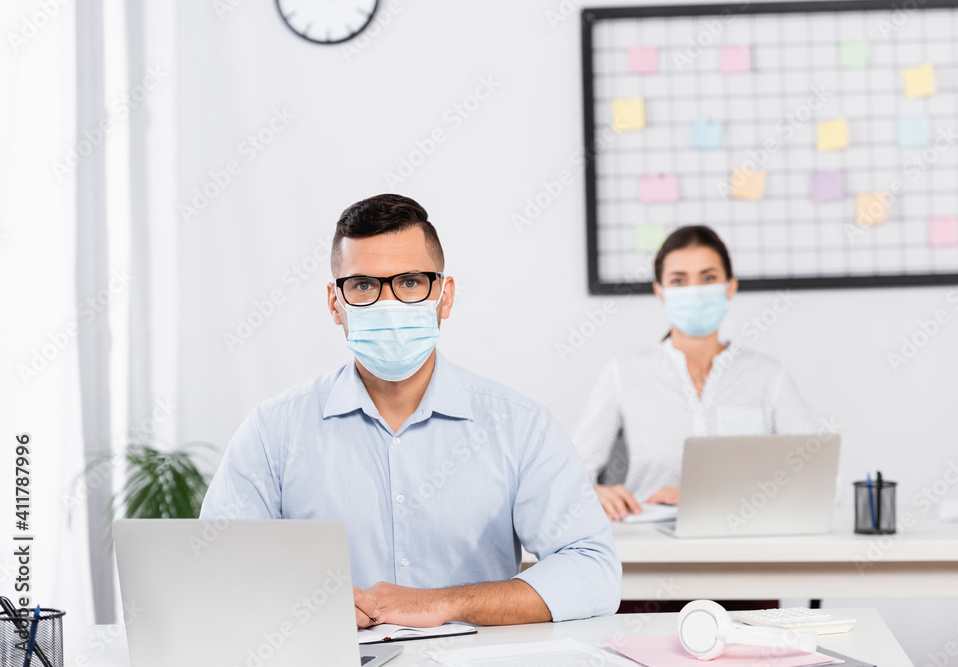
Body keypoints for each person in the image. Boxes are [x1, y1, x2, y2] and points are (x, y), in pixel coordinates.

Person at [200, 194, 621, 628]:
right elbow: (215, 571)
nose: (388, 303)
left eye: (410, 282)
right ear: (334, 303)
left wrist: (441, 603)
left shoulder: (520, 425)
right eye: (363, 285)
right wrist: (303, 600)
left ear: (444, 295)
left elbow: (593, 571)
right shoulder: (273, 431)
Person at [574, 225, 818, 522]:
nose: (694, 291)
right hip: (648, 543)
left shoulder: (768, 376)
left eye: (709, 278)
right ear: (660, 292)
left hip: (746, 539)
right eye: (678, 280)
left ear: (730, 286)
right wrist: (594, 492)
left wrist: (707, 494)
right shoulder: (624, 373)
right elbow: (571, 476)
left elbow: (823, 479)